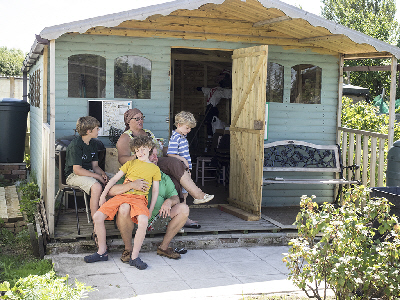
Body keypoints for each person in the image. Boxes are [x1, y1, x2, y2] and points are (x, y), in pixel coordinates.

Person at [116, 108, 214, 228]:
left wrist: (174, 149)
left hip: (156, 163)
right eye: (137, 119)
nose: (140, 121)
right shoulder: (125, 138)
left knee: (175, 177)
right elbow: (121, 159)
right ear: (128, 121)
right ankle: (197, 194)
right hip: (141, 166)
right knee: (174, 163)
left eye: (142, 118)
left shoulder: (147, 133)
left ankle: (179, 217)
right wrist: (139, 156)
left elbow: (160, 150)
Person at [84, 136, 161, 270]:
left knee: (143, 220)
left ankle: (134, 257)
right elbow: (114, 180)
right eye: (137, 150)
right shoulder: (130, 164)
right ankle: (102, 252)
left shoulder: (154, 169)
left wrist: (151, 208)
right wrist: (103, 195)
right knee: (97, 216)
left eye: (143, 149)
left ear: (149, 148)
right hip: (123, 196)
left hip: (139, 199)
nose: (140, 153)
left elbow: (155, 191)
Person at [108, 147, 189, 261]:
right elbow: (111, 191)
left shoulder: (163, 176)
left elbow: (175, 196)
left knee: (183, 209)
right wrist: (131, 185)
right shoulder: (131, 172)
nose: (156, 158)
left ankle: (163, 247)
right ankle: (128, 250)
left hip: (155, 219)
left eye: (156, 155)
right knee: (124, 207)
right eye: (152, 155)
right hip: (133, 219)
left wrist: (169, 201)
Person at [64, 116, 108, 218]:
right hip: (73, 175)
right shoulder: (76, 145)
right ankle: (95, 220)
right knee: (96, 186)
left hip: (89, 172)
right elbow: (77, 170)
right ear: (89, 131)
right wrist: (97, 177)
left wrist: (102, 174)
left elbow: (95, 166)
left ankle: (108, 214)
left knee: (112, 181)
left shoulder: (93, 143)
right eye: (97, 128)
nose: (99, 130)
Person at [167, 111, 214, 205]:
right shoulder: (176, 137)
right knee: (182, 193)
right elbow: (170, 154)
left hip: (186, 168)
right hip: (181, 168)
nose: (189, 130)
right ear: (179, 125)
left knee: (185, 193)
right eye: (187, 128)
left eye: (190, 128)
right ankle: (183, 212)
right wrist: (184, 160)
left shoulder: (182, 136)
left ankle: (185, 214)